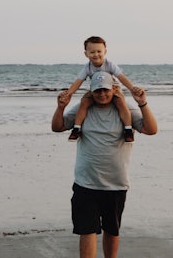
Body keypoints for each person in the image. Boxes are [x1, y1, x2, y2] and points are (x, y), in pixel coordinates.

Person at [51, 71, 157, 258]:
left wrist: (142, 103)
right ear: (91, 91)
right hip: (86, 183)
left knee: (112, 230)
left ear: (113, 89)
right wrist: (61, 108)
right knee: (86, 230)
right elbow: (58, 127)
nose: (102, 94)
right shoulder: (81, 109)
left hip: (116, 184)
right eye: (97, 90)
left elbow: (151, 129)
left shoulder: (126, 109)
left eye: (105, 90)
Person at [65, 36, 137, 143]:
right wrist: (69, 93)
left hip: (113, 88)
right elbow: (78, 81)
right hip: (96, 89)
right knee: (84, 101)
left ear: (105, 51)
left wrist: (132, 88)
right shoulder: (87, 67)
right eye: (92, 52)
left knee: (121, 102)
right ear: (86, 54)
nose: (96, 54)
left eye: (99, 51)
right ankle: (76, 129)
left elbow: (122, 77)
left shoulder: (109, 64)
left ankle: (128, 130)